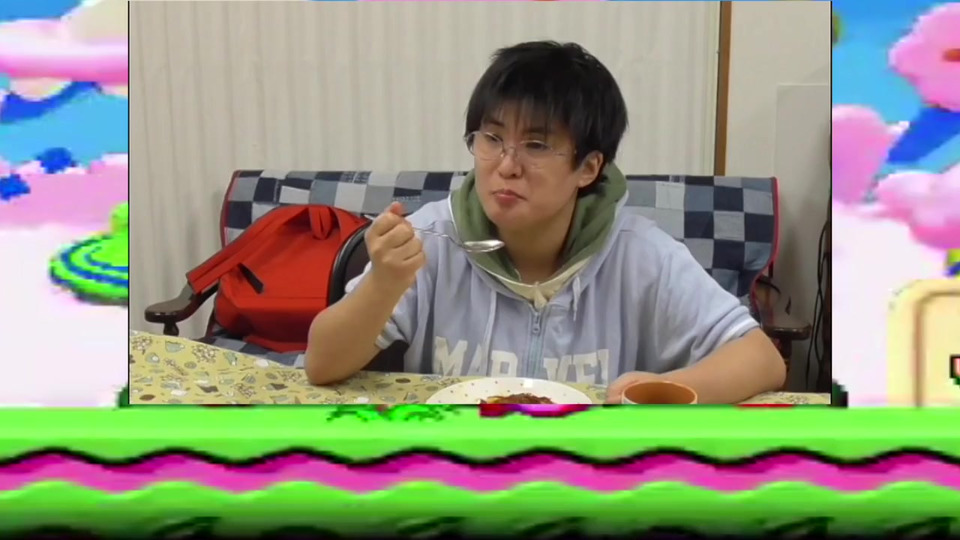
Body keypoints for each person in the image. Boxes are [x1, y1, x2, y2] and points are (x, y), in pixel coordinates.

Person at [305, 41, 786, 404]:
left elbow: (760, 358)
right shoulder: (434, 237)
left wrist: (667, 389)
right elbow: (321, 364)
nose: (506, 165)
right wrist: (384, 283)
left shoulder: (639, 255)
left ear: (589, 167)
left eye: (536, 145)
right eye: (492, 138)